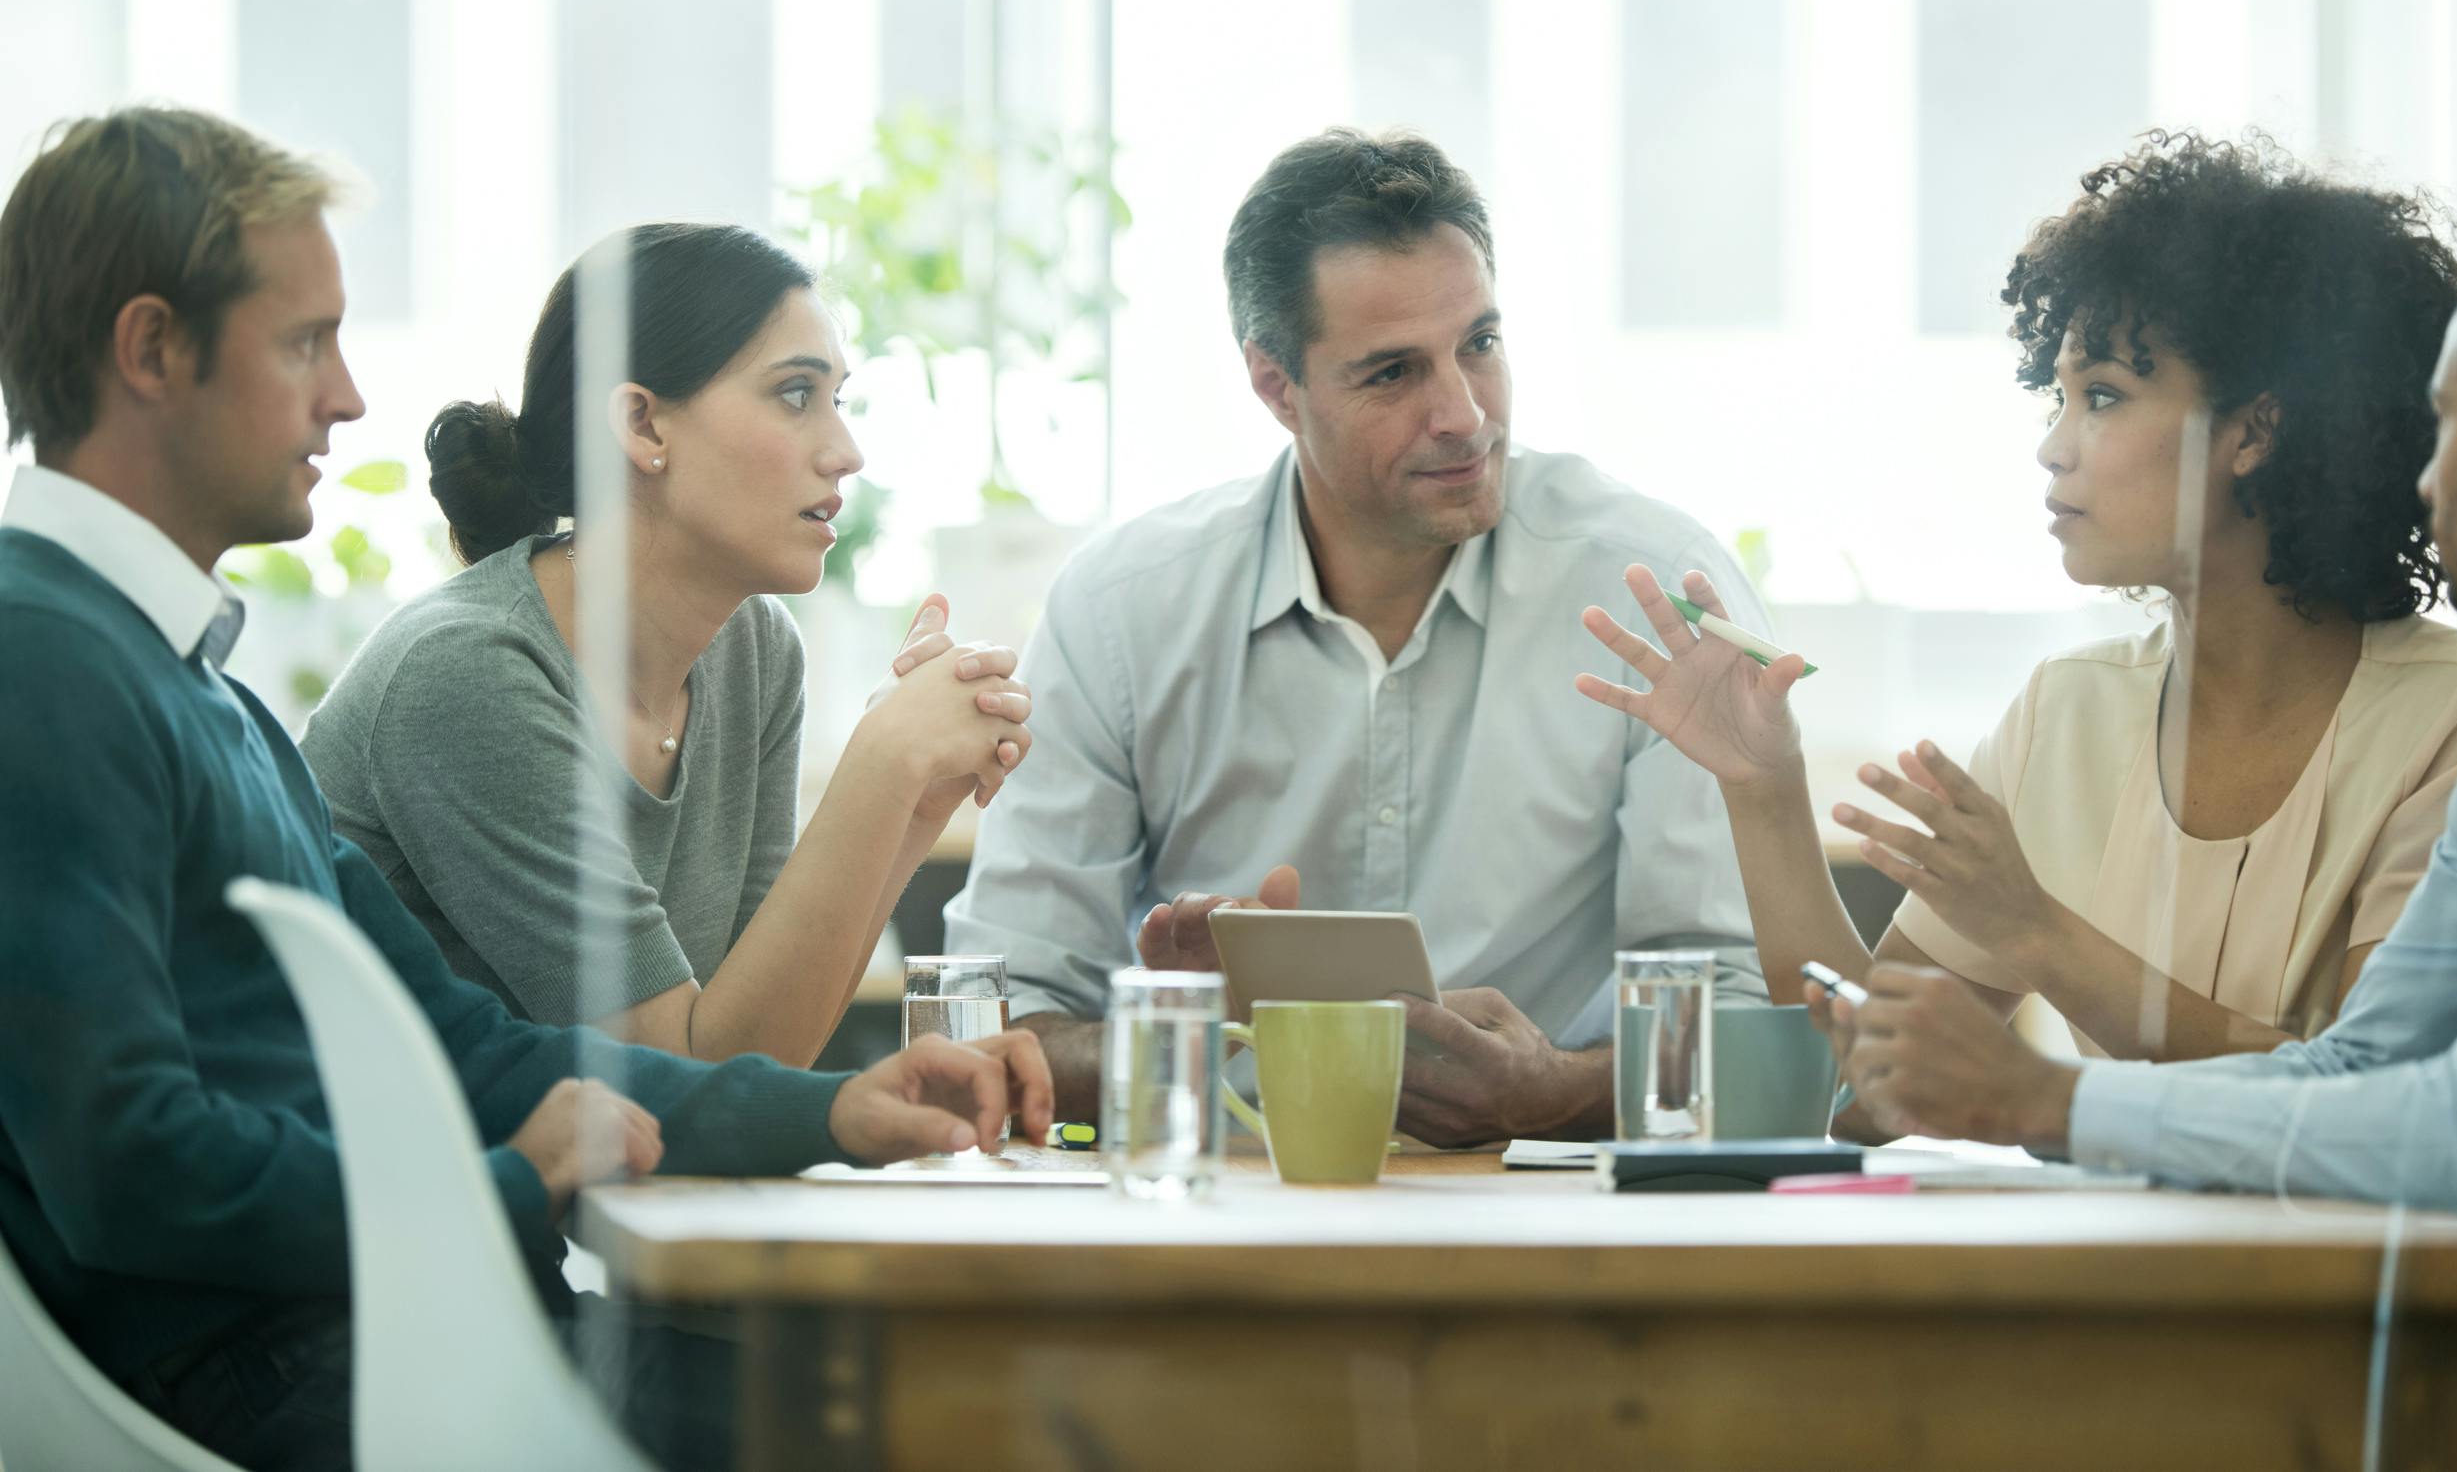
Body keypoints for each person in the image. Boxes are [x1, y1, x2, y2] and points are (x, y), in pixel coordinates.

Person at [0, 106, 1053, 1472]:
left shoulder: (198, 686)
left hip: (386, 1323)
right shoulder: (43, 659)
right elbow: (127, 1168)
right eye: (304, 341)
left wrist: (837, 1111)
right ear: (150, 350)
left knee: (946, 1390)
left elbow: (473, 1043)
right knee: (938, 1420)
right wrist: (507, 1179)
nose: (350, 398)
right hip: (273, 1368)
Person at [1818, 228, 2457, 1214]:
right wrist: (2047, 1100)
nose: (2420, 479)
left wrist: (2054, 1100)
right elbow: (2360, 1072)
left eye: (2443, 429)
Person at [1582, 131, 2457, 1063]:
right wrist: (1765, 788)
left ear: (2255, 431)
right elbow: (1862, 1081)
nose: (2054, 447)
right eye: (2058, 398)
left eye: (2102, 397)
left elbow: (2377, 1099)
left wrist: (2035, 932)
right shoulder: (2066, 711)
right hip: (2094, 1216)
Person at [942, 128, 1770, 1145]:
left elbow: (1743, 1010)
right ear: (1273, 386)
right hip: (1224, 1233)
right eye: (1391, 373)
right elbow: (1005, 1017)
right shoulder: (1122, 610)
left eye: (1480, 343)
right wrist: (1193, 1030)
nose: (1463, 413)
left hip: (1546, 1231)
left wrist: (1550, 1087)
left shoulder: (1652, 592)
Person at [299, 223, 1032, 1065]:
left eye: (840, 400)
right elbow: (683, 1076)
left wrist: (917, 799)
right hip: (411, 1189)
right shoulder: (467, 672)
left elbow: (761, 1048)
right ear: (643, 425)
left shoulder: (753, 649)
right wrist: (880, 764)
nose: (845, 450)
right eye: (797, 395)